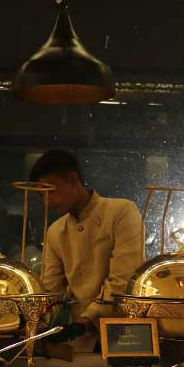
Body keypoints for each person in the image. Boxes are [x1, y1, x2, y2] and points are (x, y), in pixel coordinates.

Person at [33, 149, 144, 350]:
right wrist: (36, 320)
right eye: (41, 195)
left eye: (50, 191)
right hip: (80, 343)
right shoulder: (56, 231)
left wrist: (85, 321)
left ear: (72, 179)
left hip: (123, 336)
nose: (47, 202)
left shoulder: (121, 211)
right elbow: (52, 292)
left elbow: (123, 280)